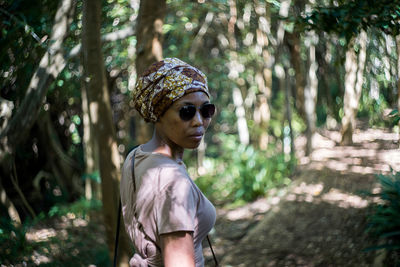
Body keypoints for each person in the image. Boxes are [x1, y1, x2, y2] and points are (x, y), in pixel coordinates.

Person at [120, 58, 217, 267]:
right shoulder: (173, 182)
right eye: (187, 111)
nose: (199, 121)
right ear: (158, 113)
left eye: (206, 110)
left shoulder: (135, 157)